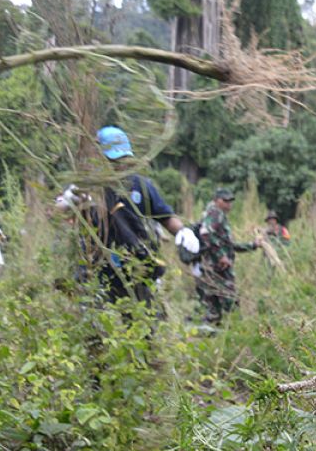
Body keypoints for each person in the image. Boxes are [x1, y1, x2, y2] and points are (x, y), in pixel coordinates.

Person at [83, 126, 200, 317]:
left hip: (136, 268)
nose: (118, 165)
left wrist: (182, 232)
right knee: (98, 330)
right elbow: (61, 213)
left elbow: (165, 217)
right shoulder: (88, 187)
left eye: (121, 160)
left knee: (146, 326)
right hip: (98, 269)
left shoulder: (141, 187)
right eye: (112, 160)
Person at [195, 188, 261, 325]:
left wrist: (252, 245)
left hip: (216, 265)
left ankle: (212, 327)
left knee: (213, 297)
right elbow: (205, 233)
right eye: (225, 201)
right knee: (229, 296)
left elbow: (228, 245)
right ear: (217, 200)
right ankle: (238, 327)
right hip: (217, 266)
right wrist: (221, 256)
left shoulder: (217, 214)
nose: (229, 204)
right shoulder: (215, 213)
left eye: (230, 201)